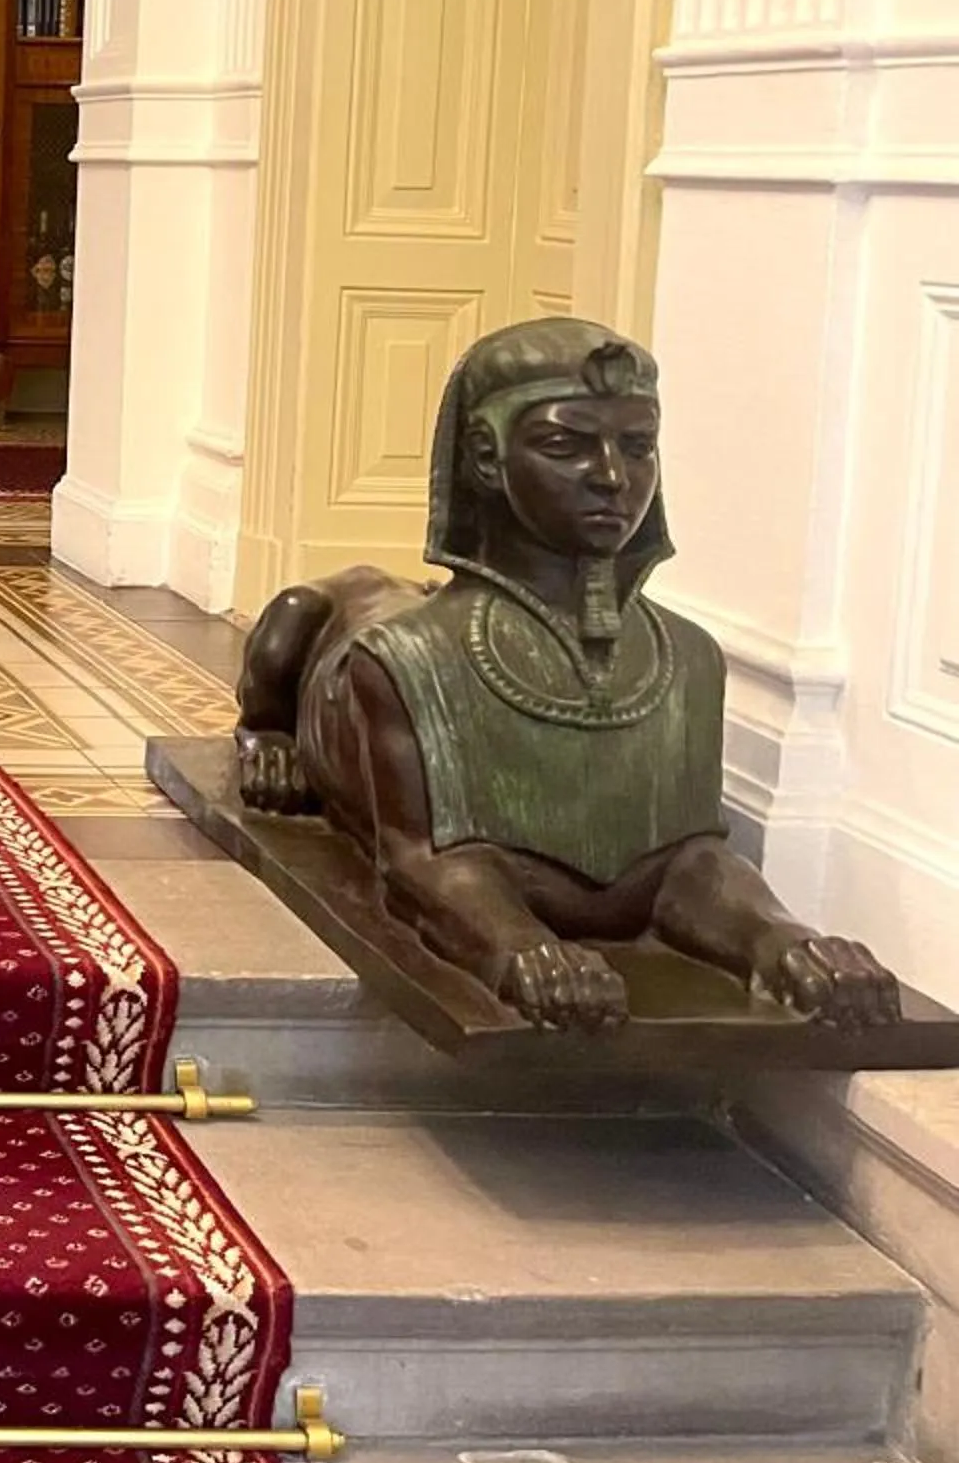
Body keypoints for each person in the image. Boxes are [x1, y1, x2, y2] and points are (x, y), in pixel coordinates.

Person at [234, 317, 899, 1032]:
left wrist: (779, 936)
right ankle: (262, 722)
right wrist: (515, 946)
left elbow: (685, 862)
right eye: (565, 445)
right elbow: (422, 865)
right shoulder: (402, 660)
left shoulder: (691, 659)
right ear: (486, 458)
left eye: (637, 446)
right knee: (299, 614)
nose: (614, 478)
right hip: (364, 667)